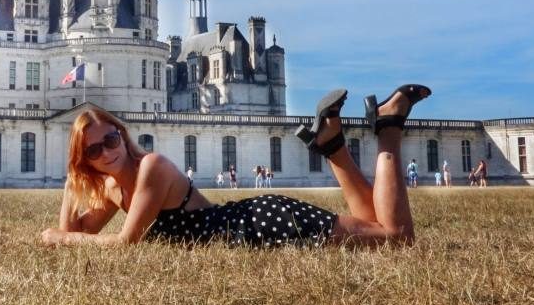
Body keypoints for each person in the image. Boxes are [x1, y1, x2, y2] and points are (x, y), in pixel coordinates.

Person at [40, 84, 430, 249]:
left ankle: (388, 128)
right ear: (85, 162)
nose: (106, 153)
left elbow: (122, 244)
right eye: (92, 152)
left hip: (256, 224)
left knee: (396, 239)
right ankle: (333, 147)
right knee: (379, 232)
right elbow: (74, 231)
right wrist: (70, 186)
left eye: (110, 140)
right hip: (248, 231)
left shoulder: (151, 168)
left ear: (121, 135)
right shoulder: (112, 188)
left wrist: (63, 239)